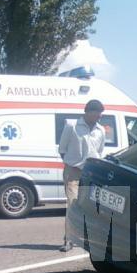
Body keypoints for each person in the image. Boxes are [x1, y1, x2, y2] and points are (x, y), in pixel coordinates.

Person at [58, 99, 106, 252]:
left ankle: (89, 239)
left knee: (90, 208)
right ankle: (68, 240)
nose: (99, 117)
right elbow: (62, 149)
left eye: (100, 114)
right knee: (72, 205)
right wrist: (72, 163)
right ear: (88, 112)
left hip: (91, 173)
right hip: (73, 171)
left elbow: (99, 151)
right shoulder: (72, 126)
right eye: (97, 113)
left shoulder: (101, 130)